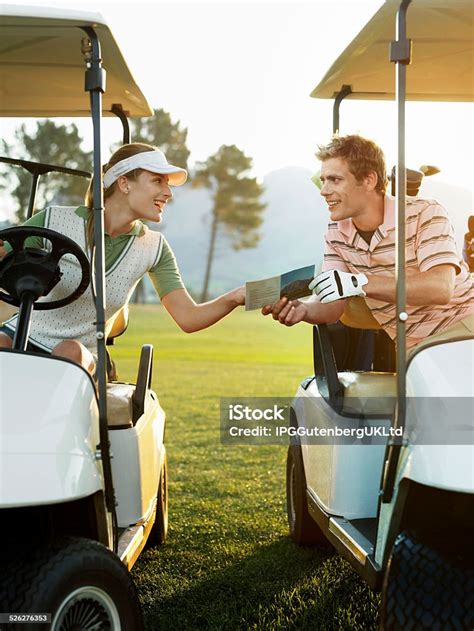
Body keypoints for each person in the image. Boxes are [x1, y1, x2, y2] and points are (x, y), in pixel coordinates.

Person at [0, 143, 245, 374]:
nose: (168, 192)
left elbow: (188, 318)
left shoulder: (154, 247)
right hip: (21, 334)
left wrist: (235, 297)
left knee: (69, 351)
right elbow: (7, 256)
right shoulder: (54, 219)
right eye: (158, 180)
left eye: (167, 183)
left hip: (83, 355)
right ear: (124, 183)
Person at [262, 134, 473, 350]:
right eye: (323, 180)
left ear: (369, 180)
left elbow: (440, 288)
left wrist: (357, 283)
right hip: (417, 348)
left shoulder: (425, 212)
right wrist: (305, 310)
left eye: (335, 180)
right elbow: (333, 306)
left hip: (467, 325)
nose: (324, 191)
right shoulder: (336, 234)